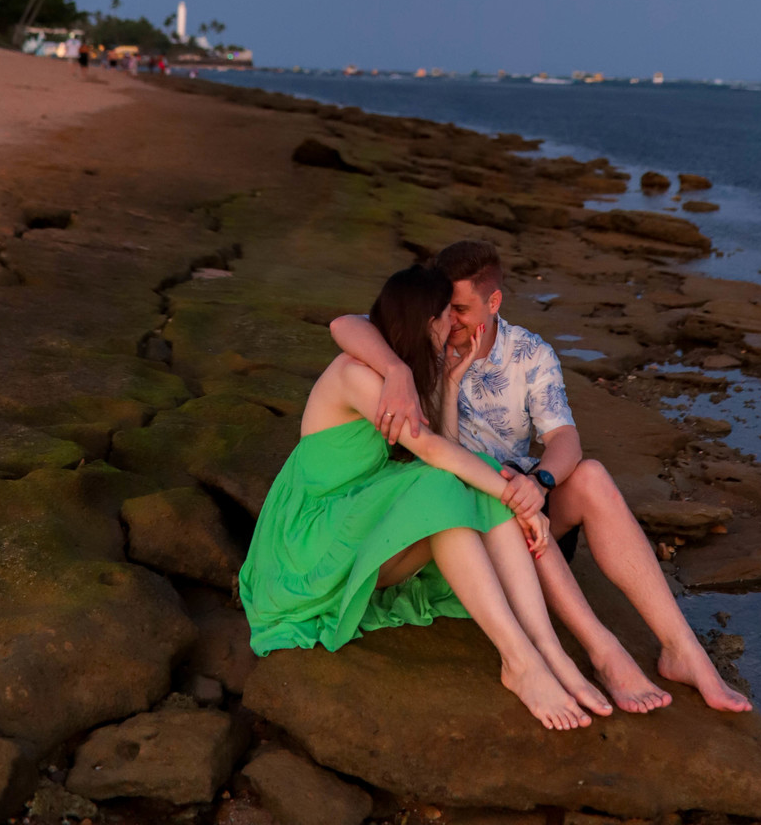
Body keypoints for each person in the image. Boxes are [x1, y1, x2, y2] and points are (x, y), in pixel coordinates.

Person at [330, 239, 751, 715]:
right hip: (457, 516)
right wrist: (397, 372)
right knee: (492, 498)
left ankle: (684, 650)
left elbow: (565, 439)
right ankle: (602, 653)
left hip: (519, 499)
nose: (450, 321)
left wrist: (542, 483)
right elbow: (345, 324)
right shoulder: (420, 336)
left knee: (589, 475)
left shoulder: (529, 354)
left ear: (493, 302)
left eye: (461, 309)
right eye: (444, 309)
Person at [240, 263, 615, 731]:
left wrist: (452, 385)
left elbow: (448, 450)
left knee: (468, 484)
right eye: (446, 316)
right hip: (311, 538)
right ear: (426, 322)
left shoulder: (405, 373)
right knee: (452, 482)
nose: (453, 326)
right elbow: (434, 451)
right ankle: (519, 661)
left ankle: (549, 653)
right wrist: (522, 499)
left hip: (356, 519)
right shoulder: (357, 375)